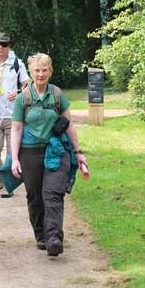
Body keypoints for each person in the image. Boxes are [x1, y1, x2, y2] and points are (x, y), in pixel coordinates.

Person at [9, 53, 88, 256]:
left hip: (55, 150)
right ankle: (41, 235)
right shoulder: (22, 98)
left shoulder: (58, 94)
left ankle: (54, 238)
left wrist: (78, 152)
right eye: (37, 70)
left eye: (44, 70)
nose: (41, 74)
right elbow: (16, 130)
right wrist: (15, 159)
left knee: (52, 193)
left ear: (50, 72)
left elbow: (69, 125)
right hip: (30, 152)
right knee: (35, 197)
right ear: (31, 72)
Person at [0, 32, 29, 196]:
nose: (0, 47)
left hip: (13, 115)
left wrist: (18, 93)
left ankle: (9, 185)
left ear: (10, 46)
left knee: (12, 153)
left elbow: (27, 85)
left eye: (4, 44)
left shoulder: (17, 63)